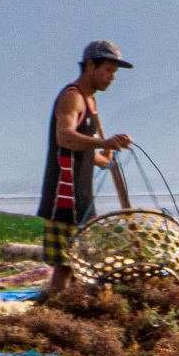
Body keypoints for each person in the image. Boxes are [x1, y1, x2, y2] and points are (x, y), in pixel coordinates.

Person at [38, 40, 133, 297]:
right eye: (108, 70)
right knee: (64, 269)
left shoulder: (91, 103)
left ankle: (72, 314)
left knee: (82, 266)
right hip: (64, 195)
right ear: (91, 65)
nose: (112, 77)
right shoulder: (72, 97)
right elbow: (64, 137)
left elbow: (85, 152)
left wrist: (106, 156)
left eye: (115, 72)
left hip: (82, 197)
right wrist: (104, 141)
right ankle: (51, 317)